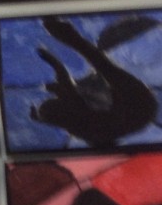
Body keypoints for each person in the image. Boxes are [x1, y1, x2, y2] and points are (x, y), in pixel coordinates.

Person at [30, 16, 158, 148]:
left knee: (103, 67)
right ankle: (69, 35)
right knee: (104, 66)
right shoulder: (82, 126)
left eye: (56, 98)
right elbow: (114, 121)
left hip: (132, 109)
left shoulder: (72, 115)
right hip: (138, 108)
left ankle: (68, 35)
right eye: (56, 100)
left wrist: (53, 62)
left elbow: (64, 82)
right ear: (62, 111)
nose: (57, 97)